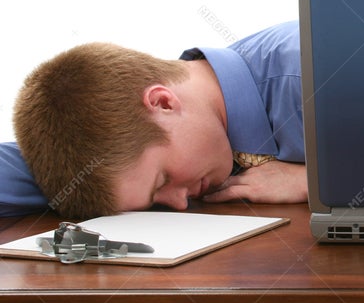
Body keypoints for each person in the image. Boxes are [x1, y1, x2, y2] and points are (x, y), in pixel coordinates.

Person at [1, 20, 307, 219]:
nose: (179, 204)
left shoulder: (312, 74)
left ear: (163, 102)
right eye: (155, 201)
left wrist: (315, 183)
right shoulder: (126, 144)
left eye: (164, 180)